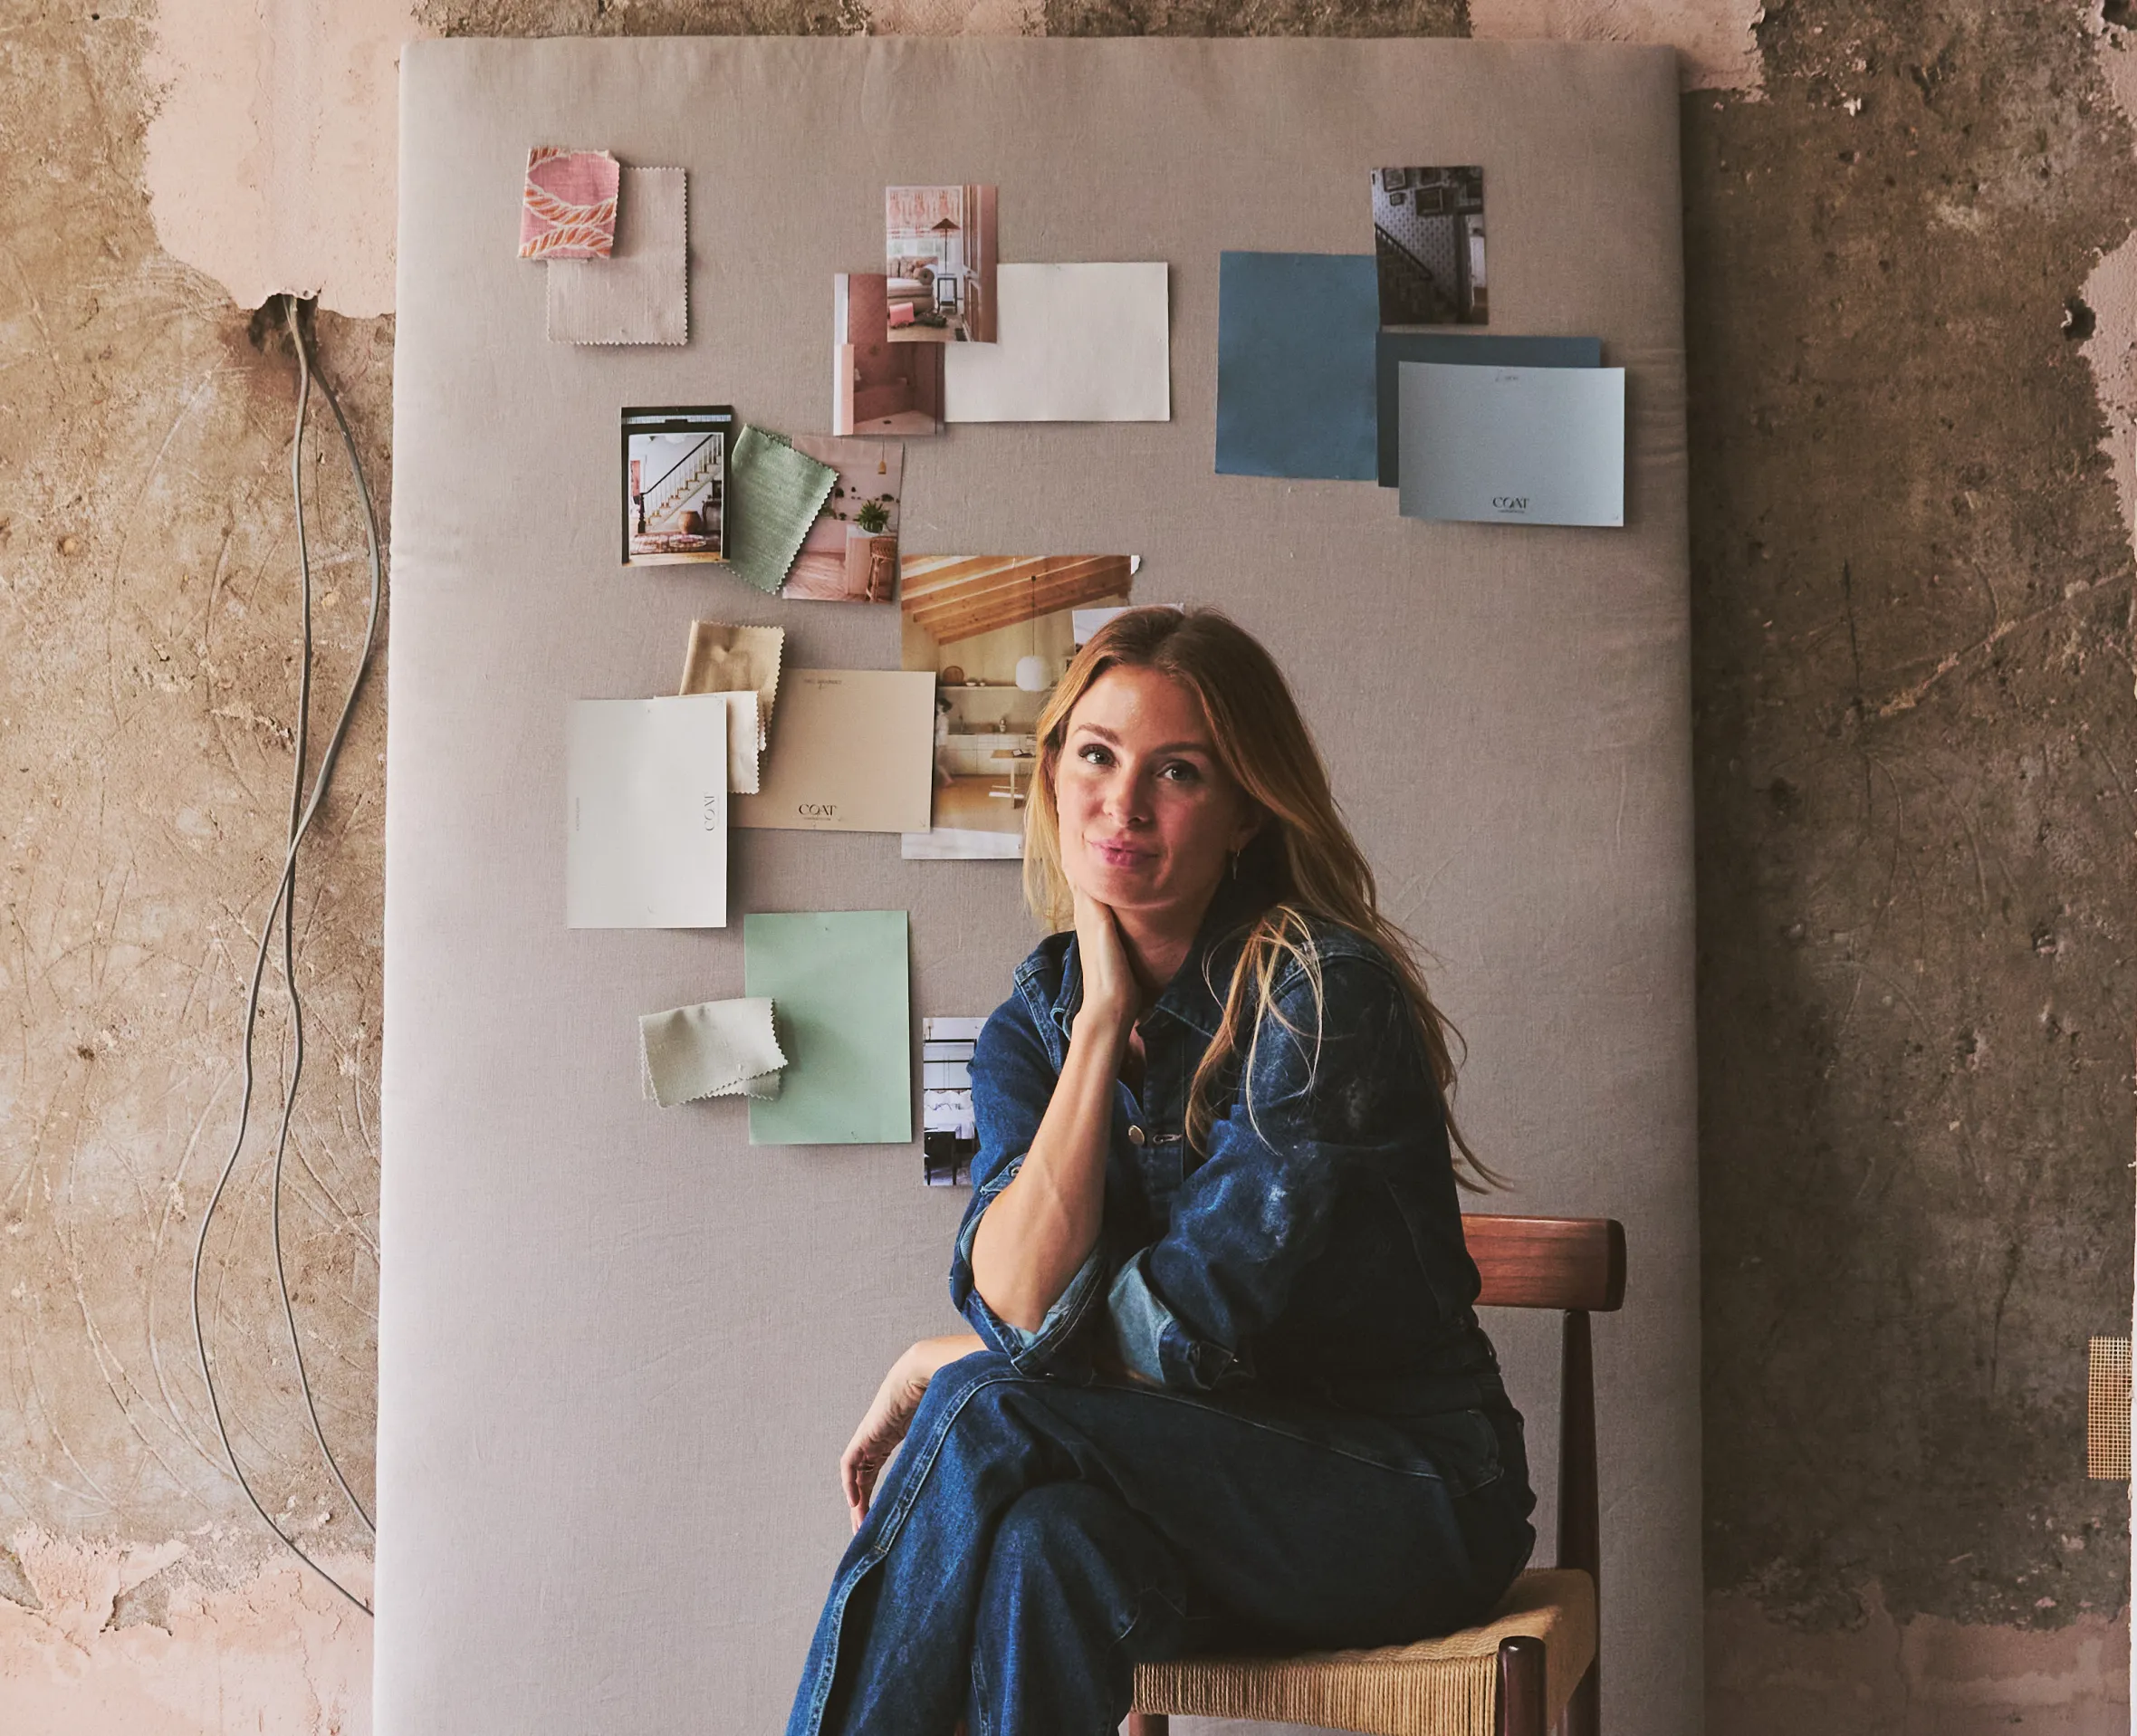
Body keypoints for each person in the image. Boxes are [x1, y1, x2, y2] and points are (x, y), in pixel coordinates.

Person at [785, 608, 1535, 1736]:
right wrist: (1098, 1026)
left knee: (981, 1404)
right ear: (1051, 775)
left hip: (1405, 1497)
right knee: (1046, 1546)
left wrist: (943, 1356)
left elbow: (1177, 1331)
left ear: (1245, 811)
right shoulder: (1035, 1027)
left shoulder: (1318, 1000)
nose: (1122, 804)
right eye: (1095, 755)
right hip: (1190, 1506)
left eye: (1176, 772)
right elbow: (1021, 1306)